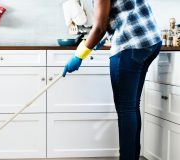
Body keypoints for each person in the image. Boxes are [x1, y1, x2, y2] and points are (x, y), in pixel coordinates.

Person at [62, 0, 162, 160]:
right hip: (150, 41)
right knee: (132, 106)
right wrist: (105, 35)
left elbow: (99, 27)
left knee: (126, 109)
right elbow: (121, 10)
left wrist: (79, 55)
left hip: (130, 45)